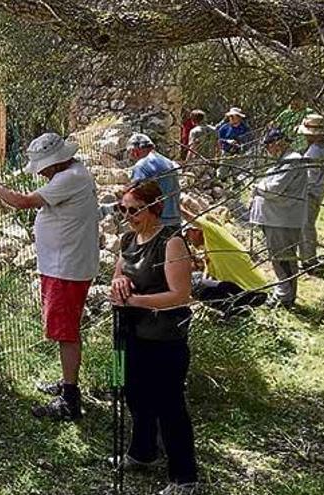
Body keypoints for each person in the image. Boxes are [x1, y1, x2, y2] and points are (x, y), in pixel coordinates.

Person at [0, 132, 99, 421]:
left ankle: (70, 399)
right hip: (64, 265)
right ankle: (69, 384)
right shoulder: (72, 173)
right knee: (64, 330)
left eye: (42, 166)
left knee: (66, 332)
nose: (40, 172)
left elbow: (20, 202)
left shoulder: (69, 179)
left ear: (56, 162)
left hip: (66, 268)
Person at [110, 181, 198, 495]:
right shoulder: (128, 240)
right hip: (129, 332)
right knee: (132, 393)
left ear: (154, 208)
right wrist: (120, 283)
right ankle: (142, 451)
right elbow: (118, 274)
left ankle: (184, 476)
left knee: (168, 403)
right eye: (122, 209)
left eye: (134, 209)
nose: (127, 215)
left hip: (163, 338)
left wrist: (136, 302)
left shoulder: (171, 242)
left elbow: (180, 295)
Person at [249, 128, 307, 308]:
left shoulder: (293, 160)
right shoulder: (283, 161)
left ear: (278, 143)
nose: (268, 150)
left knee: (284, 258)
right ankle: (282, 293)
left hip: (283, 219)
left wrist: (257, 185)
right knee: (277, 257)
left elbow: (274, 189)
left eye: (269, 146)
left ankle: (286, 298)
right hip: (274, 218)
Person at [180, 207, 268, 318]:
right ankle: (237, 309)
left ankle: (235, 311)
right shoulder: (211, 252)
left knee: (192, 281)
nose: (189, 241)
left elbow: (189, 217)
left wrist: (169, 204)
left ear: (196, 230)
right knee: (198, 281)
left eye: (187, 236)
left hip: (253, 292)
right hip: (251, 293)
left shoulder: (214, 233)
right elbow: (208, 280)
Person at [127, 133, 182, 227]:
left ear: (134, 151)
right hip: (175, 220)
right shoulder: (169, 162)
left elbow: (135, 195)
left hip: (157, 223)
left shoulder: (141, 166)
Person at [297, 113, 324, 273]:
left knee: (306, 227)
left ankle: (309, 261)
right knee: (307, 226)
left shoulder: (316, 151)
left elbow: (309, 177)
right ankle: (307, 258)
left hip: (310, 192)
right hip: (318, 190)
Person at [184, 110, 218, 184]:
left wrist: (186, 163)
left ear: (193, 120)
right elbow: (218, 147)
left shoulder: (194, 131)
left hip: (198, 162)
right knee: (209, 185)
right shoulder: (214, 130)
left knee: (194, 184)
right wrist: (217, 160)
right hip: (210, 161)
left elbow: (192, 149)